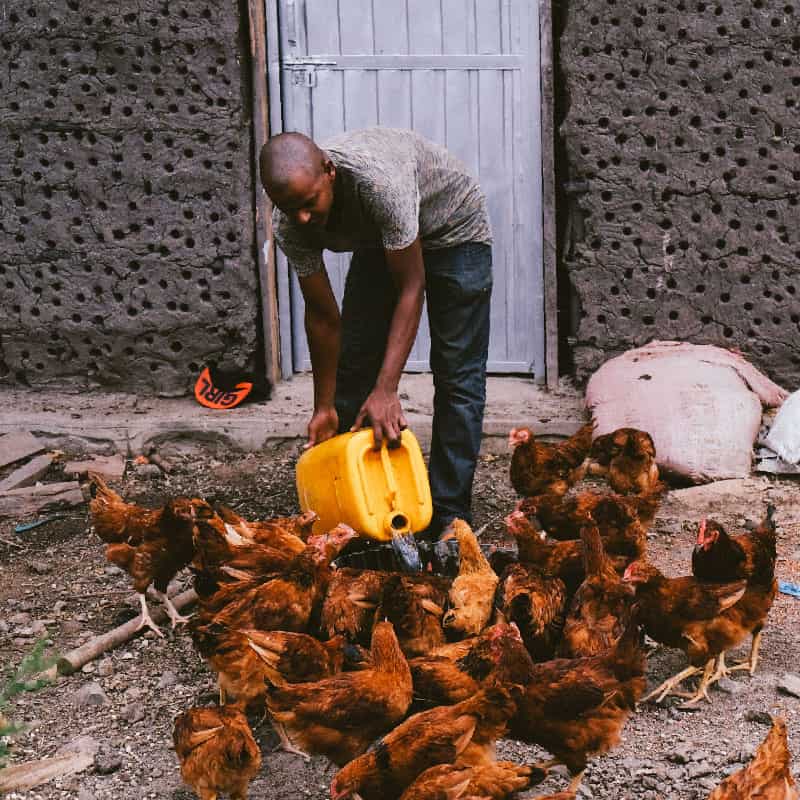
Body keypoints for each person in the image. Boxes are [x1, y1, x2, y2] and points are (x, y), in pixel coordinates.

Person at [260, 127, 492, 542]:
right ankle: (364, 511)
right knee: (354, 369)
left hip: (455, 229)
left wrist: (388, 389)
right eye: (288, 208)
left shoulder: (379, 183)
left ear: (329, 172)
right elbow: (323, 317)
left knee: (458, 376)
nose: (302, 218)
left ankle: (449, 518)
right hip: (382, 240)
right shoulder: (290, 225)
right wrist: (324, 405)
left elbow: (411, 286)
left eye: (309, 203)